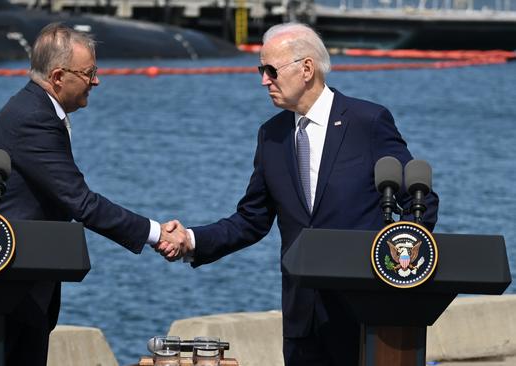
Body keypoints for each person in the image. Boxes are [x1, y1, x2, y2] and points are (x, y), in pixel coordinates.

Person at [157, 23, 439, 365]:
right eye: (261, 70)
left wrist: (396, 269)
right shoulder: (271, 136)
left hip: (366, 314)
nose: (264, 80)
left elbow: (419, 202)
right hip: (302, 320)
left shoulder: (368, 122)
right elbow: (251, 219)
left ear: (306, 69)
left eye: (271, 70)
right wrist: (190, 239)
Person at [0, 22, 186, 365]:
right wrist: (156, 233)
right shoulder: (34, 118)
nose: (97, 81)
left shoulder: (36, 108)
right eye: (90, 73)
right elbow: (81, 202)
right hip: (13, 285)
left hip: (22, 282)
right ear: (59, 76)